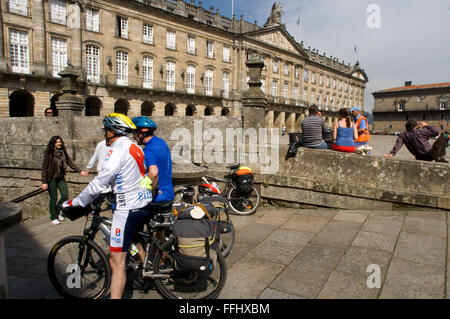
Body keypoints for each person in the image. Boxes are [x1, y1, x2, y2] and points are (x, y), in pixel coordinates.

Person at [63, 113, 153, 299]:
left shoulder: (117, 149)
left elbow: (100, 182)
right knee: (135, 241)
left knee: (116, 262)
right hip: (142, 204)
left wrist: (77, 202)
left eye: (106, 130)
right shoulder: (136, 147)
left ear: (112, 131)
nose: (105, 135)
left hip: (126, 209)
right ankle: (144, 269)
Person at [41, 136, 82, 225]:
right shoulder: (48, 153)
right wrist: (44, 182)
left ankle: (56, 211)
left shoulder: (62, 151)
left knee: (65, 195)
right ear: (53, 143)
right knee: (54, 198)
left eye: (60, 142)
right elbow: (44, 168)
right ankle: (54, 217)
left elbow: (69, 162)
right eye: (56, 142)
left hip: (60, 177)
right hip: (51, 178)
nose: (59, 143)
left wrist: (80, 171)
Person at [132, 116, 174, 203]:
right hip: (169, 193)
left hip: (158, 197)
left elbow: (153, 172)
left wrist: (147, 191)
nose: (134, 137)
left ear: (141, 133)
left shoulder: (148, 150)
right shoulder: (161, 142)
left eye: (134, 134)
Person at [384, 119, 448, 163]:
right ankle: (440, 157)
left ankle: (439, 157)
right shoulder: (419, 132)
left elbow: (398, 144)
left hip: (419, 157)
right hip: (430, 155)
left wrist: (392, 153)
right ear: (416, 126)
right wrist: (426, 125)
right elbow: (436, 132)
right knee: (444, 136)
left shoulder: (402, 135)